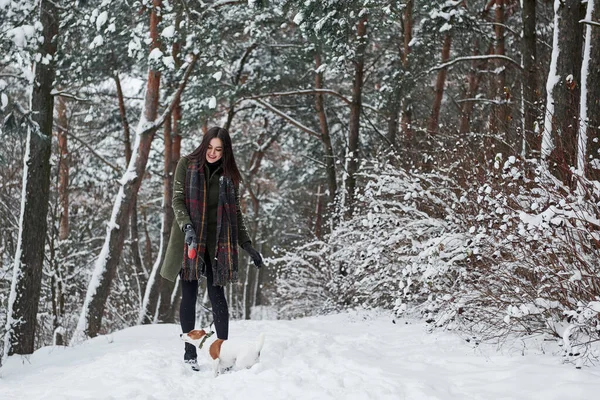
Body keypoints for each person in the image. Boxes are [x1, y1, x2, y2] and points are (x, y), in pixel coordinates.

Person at [160, 126, 264, 371]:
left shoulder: (229, 175)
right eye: (210, 147)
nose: (213, 153)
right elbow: (177, 200)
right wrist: (187, 228)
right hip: (191, 240)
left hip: (218, 243)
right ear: (203, 144)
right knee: (189, 295)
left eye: (218, 149)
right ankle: (189, 352)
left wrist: (247, 245)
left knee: (218, 296)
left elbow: (235, 213)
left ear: (225, 150)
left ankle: (223, 352)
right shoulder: (186, 165)